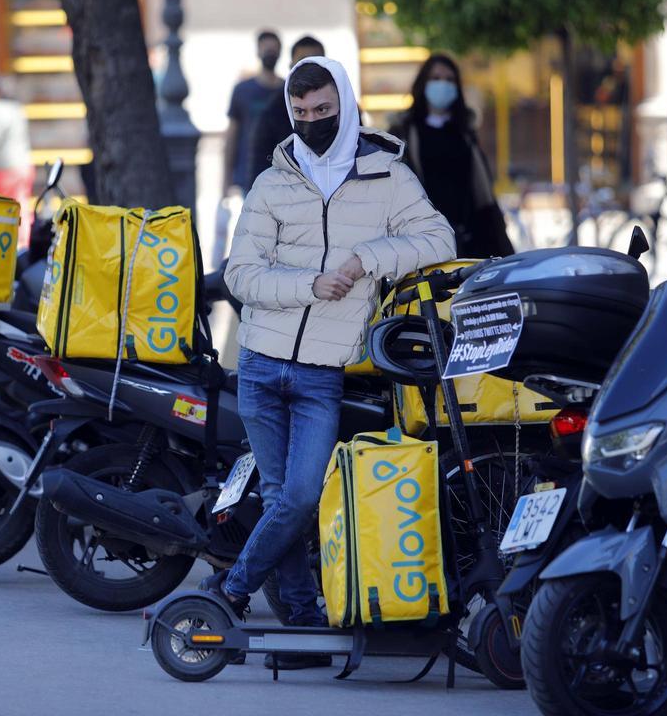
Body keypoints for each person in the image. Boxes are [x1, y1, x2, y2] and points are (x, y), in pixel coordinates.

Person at [209, 58, 455, 668]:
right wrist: (309, 284)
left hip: (322, 372)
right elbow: (240, 273)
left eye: (323, 111)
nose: (312, 123)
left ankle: (227, 592)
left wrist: (366, 257)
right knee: (279, 500)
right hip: (261, 363)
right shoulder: (273, 182)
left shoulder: (387, 177)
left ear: (344, 103)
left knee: (298, 496)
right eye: (301, 115)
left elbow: (439, 240)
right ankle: (300, 621)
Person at [391, 54, 514, 258]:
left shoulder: (464, 131)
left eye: (449, 80)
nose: (443, 85)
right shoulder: (404, 132)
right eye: (436, 78)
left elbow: (481, 190)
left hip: (469, 237)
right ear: (423, 83)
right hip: (421, 238)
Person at [246, 34, 325, 188]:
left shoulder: (343, 105)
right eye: (302, 62)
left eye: (315, 61)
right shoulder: (274, 109)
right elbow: (260, 161)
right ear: (291, 66)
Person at [223, 30, 284, 196]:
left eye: (273, 49)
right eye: (266, 48)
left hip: (283, 175)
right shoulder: (243, 91)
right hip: (249, 176)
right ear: (257, 51)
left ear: (280, 52)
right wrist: (225, 183)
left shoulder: (288, 91)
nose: (269, 53)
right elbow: (232, 137)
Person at [0, 76, 34, 245]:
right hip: (23, 164)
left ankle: (8, 243)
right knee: (22, 206)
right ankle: (24, 241)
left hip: (3, 168)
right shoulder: (17, 109)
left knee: (4, 207)